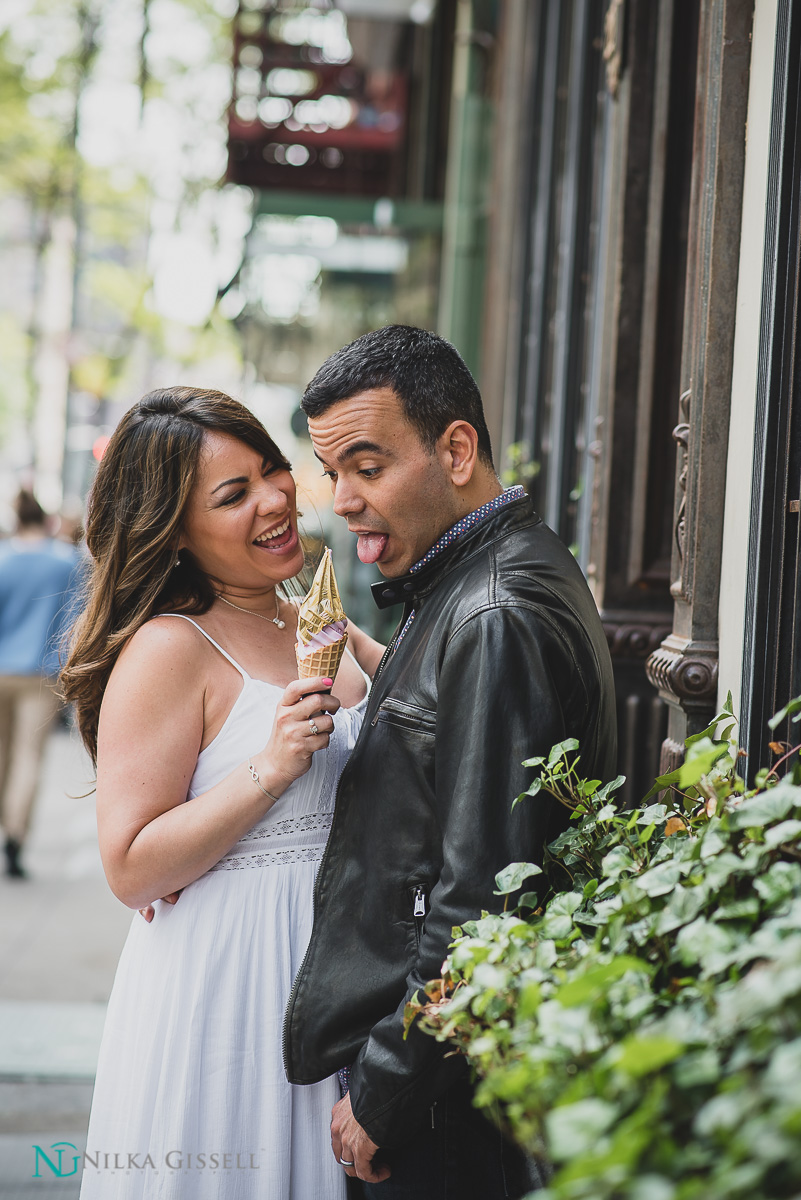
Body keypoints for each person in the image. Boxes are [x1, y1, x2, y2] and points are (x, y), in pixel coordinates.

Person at [283, 326, 618, 1198]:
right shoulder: (477, 582)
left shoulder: (492, 613)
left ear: (456, 448)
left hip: (437, 1102)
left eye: (367, 466)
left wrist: (385, 1090)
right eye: (332, 473)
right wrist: (387, 664)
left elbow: (483, 895)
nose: (343, 500)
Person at [61, 387, 384, 1199]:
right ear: (173, 530)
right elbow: (131, 868)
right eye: (234, 494)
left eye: (273, 470)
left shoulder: (314, 621)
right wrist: (268, 768)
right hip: (227, 993)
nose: (277, 500)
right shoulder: (170, 649)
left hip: (336, 980)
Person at [0, 488, 81, 878]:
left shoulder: (2, 560)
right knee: (28, 757)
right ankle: (15, 837)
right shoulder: (66, 561)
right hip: (42, 672)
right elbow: (75, 618)